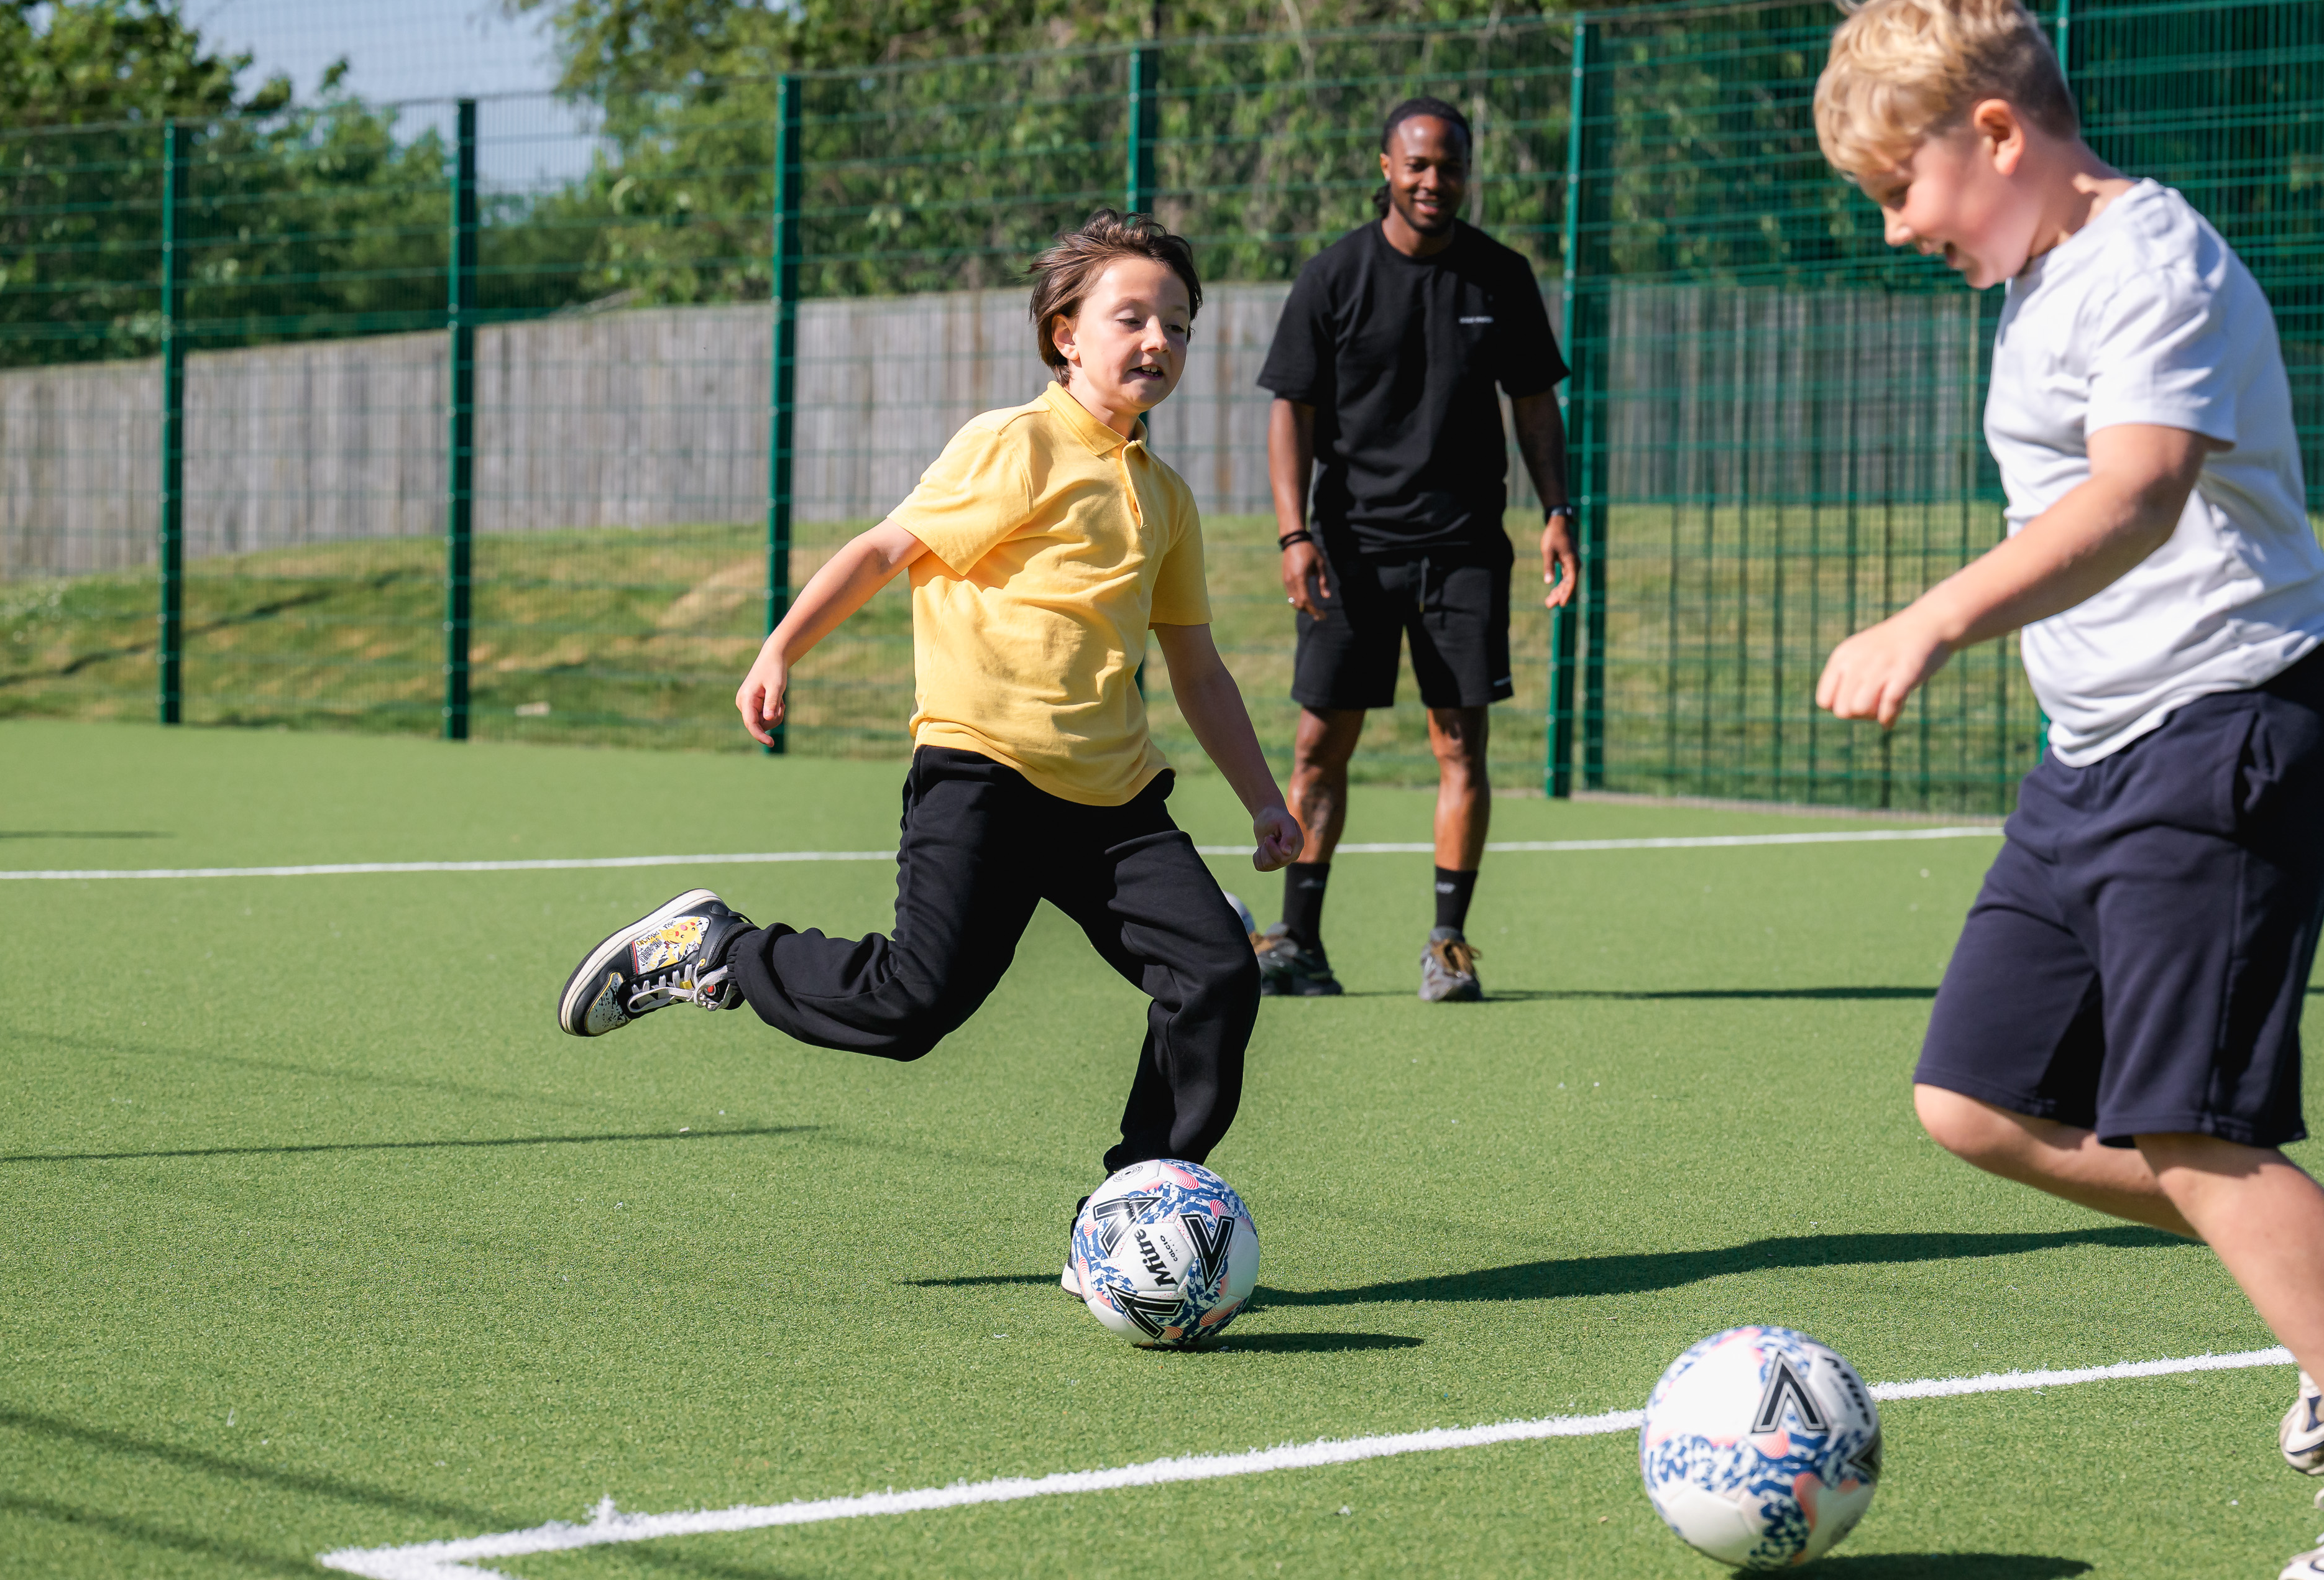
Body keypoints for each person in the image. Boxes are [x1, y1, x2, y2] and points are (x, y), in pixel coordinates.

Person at [1808, 0, 2324, 1580]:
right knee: (1973, 1101)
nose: (1898, 227)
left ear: (1997, 131)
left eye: (1902, 183)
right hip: (2097, 756)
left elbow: (2138, 494)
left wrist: (1932, 618)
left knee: (2192, 1124)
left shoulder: (2155, 261)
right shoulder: (2039, 290)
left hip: (2235, 726)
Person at [552, 210, 1305, 1286]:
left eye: (1179, 326)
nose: (1158, 342)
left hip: (1114, 805)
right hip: (983, 775)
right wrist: (779, 649)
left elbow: (1197, 670)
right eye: (1131, 317)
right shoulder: (1016, 445)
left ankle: (1129, 1213)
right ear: (1065, 334)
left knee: (1217, 973)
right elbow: (881, 551)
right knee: (910, 1008)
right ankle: (716, 952)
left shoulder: (1166, 499)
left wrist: (1264, 801)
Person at [1248, 96, 1578, 1003]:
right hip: (1351, 548)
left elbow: (1536, 404)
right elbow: (1293, 412)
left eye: (1451, 167)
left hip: (1465, 549)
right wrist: (1294, 534)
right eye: (1419, 165)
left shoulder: (1500, 278)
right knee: (1320, 745)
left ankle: (1448, 943)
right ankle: (1299, 943)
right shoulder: (1334, 276)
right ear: (1386, 168)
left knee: (1460, 745)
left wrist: (1559, 510)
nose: (1436, 182)